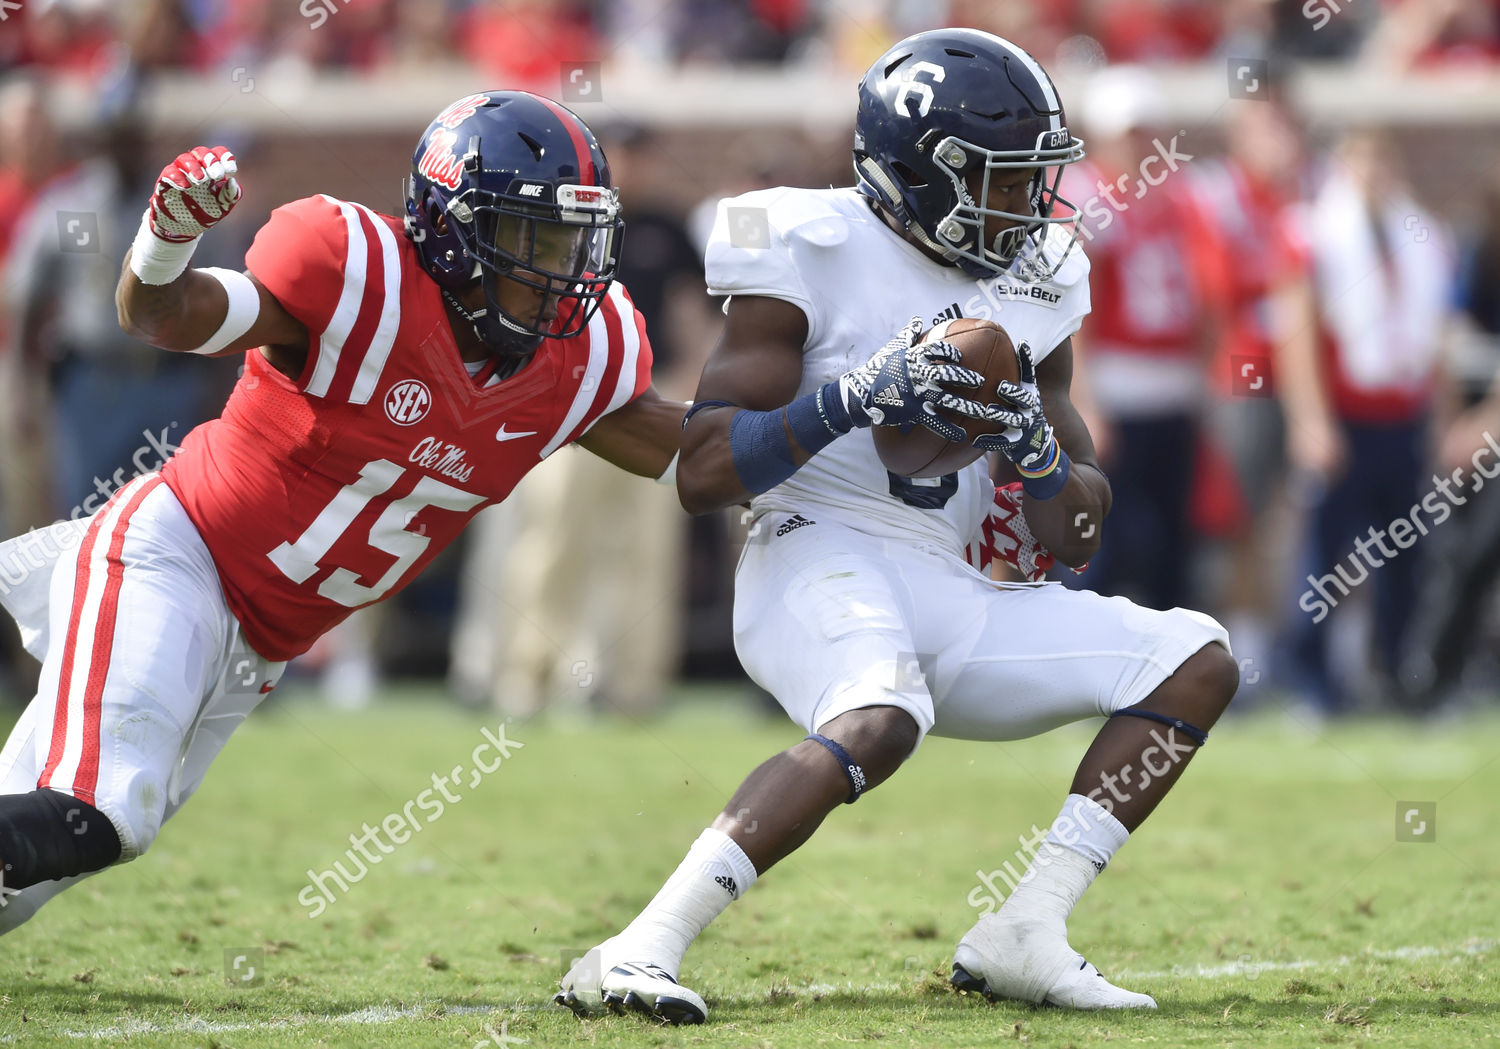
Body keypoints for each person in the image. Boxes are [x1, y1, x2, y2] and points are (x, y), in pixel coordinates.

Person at [556, 29, 1238, 1025]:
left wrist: (1038, 451)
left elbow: (1076, 532)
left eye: (1032, 181)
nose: (1028, 208)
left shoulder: (1044, 271)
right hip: (813, 552)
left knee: (1197, 657)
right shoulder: (804, 240)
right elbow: (701, 473)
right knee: (882, 712)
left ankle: (1026, 927)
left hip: (956, 582)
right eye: (1002, 184)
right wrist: (853, 397)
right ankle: (637, 944)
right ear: (920, 174)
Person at [0, 90, 681, 933]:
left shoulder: (582, 361)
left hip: (256, 648)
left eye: (570, 241)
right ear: (451, 226)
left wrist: (836, 416)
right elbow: (159, 312)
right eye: (528, 237)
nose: (555, 273)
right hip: (179, 558)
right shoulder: (358, 277)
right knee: (99, 813)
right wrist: (168, 239)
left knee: (20, 887)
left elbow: (698, 454)